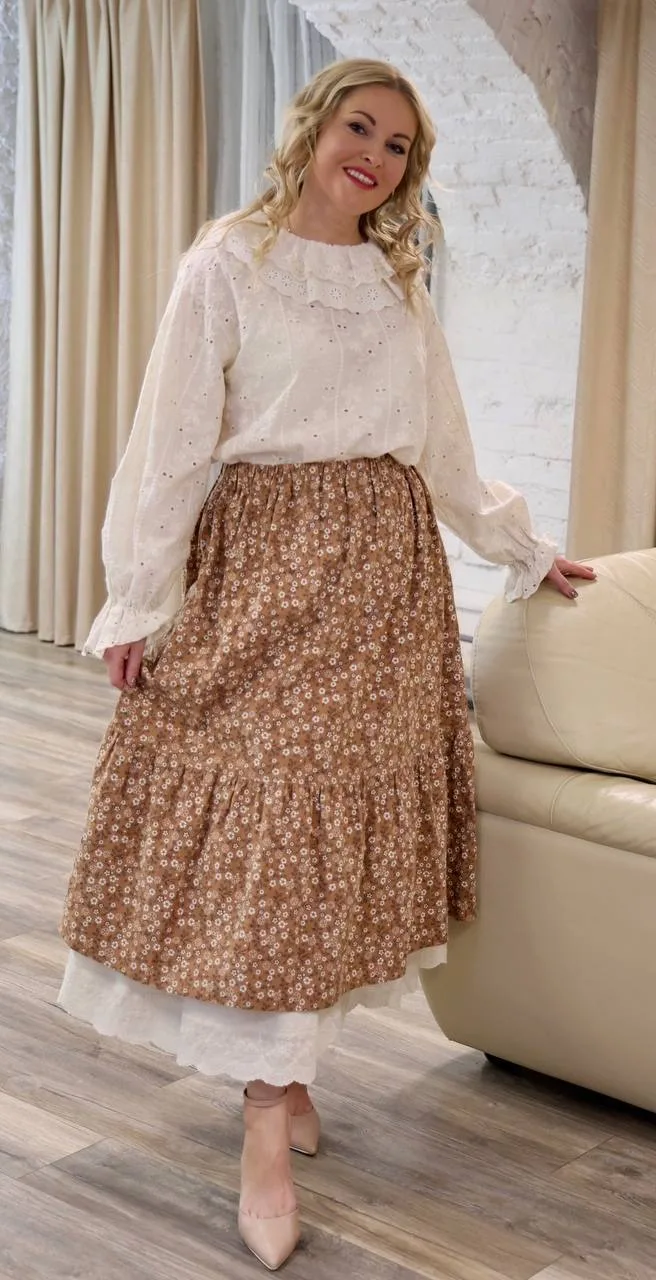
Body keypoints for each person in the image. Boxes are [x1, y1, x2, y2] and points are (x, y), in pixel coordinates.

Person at [57, 58, 595, 1271]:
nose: (375, 157)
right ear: (312, 127)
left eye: (398, 146)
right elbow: (170, 442)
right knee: (272, 835)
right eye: (360, 127)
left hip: (385, 586)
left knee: (338, 839)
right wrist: (137, 595)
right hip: (263, 568)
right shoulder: (226, 264)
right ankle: (264, 1117)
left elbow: (441, 441)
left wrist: (519, 546)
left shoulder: (396, 277)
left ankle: (285, 1068)